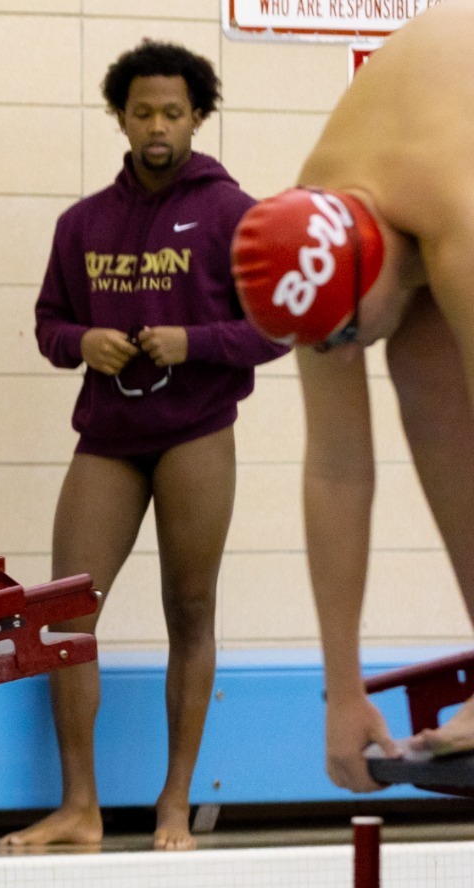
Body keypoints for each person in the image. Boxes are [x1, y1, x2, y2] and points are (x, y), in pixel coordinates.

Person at [11, 41, 287, 851]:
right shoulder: (82, 223)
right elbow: (49, 324)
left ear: (198, 116)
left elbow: (275, 327)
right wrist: (82, 342)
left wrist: (194, 341)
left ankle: (175, 802)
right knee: (63, 614)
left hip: (196, 432)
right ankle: (80, 807)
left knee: (190, 610)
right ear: (120, 117)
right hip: (108, 438)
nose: (157, 126)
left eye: (172, 112)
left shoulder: (236, 214)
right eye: (142, 113)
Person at [231, 2, 474, 800]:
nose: (339, 354)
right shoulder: (311, 229)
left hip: (455, 151)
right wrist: (342, 689)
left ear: (373, 261)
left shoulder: (456, 221)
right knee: (423, 364)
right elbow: (337, 469)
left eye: (342, 333)